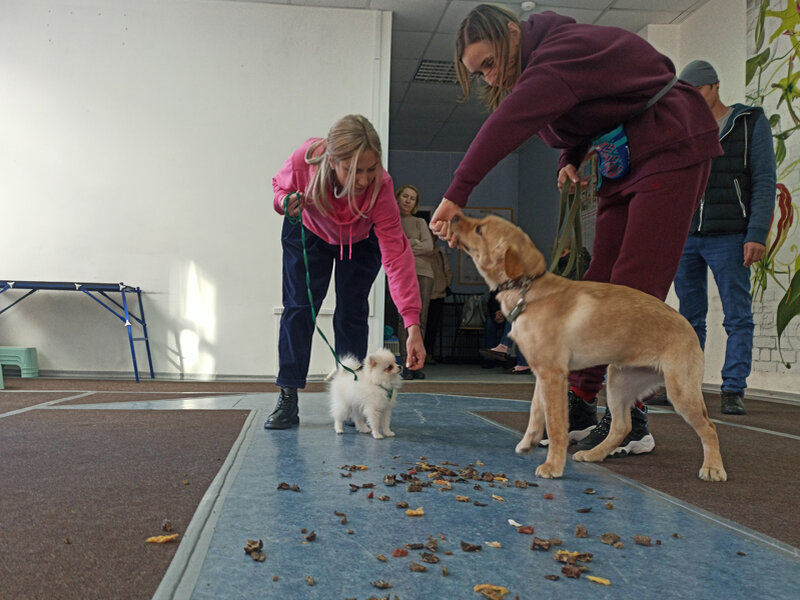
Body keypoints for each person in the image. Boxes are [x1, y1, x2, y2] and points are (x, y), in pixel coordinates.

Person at [429, 5, 722, 456]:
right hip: (624, 155)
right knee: (597, 282)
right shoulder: (542, 64)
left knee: (633, 287)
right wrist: (569, 157)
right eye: (479, 72)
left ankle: (633, 418)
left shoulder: (560, 52)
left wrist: (456, 195)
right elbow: (595, 104)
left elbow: (507, 126)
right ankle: (582, 402)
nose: (489, 78)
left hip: (669, 141)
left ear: (513, 33)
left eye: (488, 63)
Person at [267, 114, 425, 429]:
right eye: (354, 171)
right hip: (309, 232)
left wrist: (412, 323)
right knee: (299, 309)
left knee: (352, 312)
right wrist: (285, 202)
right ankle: (288, 395)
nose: (364, 180)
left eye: (371, 169)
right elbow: (278, 189)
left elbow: (397, 255)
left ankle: (353, 397)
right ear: (332, 160)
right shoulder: (305, 160)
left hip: (359, 240)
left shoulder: (382, 188)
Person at [673, 60, 776, 416]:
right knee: (688, 319)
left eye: (697, 92)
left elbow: (764, 181)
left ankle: (733, 388)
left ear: (715, 86)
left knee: (737, 316)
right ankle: (686, 386)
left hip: (731, 235)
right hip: (685, 234)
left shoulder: (749, 122)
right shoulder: (683, 129)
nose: (693, 101)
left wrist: (757, 233)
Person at [396, 184, 435, 379]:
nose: (408, 200)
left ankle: (417, 364)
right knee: (404, 319)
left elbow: (429, 247)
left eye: (412, 198)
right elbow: (392, 247)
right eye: (405, 196)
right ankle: (405, 363)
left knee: (422, 319)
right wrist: (414, 242)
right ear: (397, 198)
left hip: (424, 274)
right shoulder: (392, 221)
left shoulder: (420, 222)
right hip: (402, 273)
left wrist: (407, 244)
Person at [424, 238, 453, 364]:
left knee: (431, 327)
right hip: (426, 294)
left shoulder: (439, 254)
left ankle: (428, 353)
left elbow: (447, 271)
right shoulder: (426, 253)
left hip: (438, 294)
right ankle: (423, 354)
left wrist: (444, 283)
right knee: (425, 326)